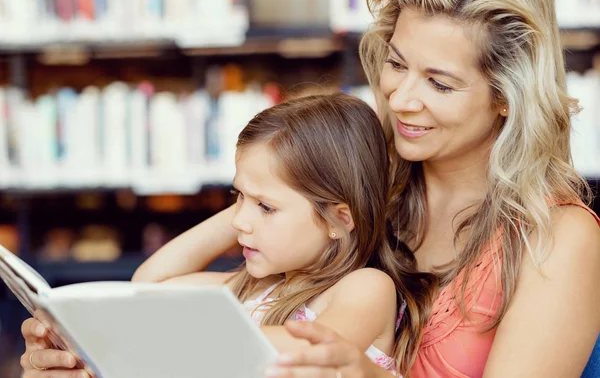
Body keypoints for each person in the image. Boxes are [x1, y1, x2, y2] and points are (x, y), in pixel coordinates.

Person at [20, 0, 600, 378]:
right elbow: (219, 311)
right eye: (396, 64)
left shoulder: (556, 237)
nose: (399, 99)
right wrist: (90, 356)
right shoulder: (362, 188)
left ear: (507, 96)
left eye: (440, 84)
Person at [21, 93, 433, 378]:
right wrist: (249, 204)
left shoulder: (365, 287)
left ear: (339, 220)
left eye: (266, 207)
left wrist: (159, 336)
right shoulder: (258, 287)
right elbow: (150, 284)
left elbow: (312, 350)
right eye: (237, 197)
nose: (240, 221)